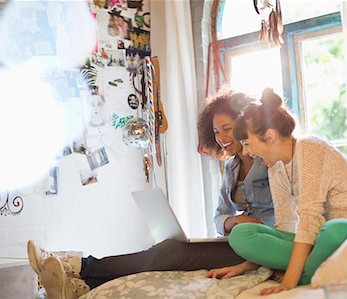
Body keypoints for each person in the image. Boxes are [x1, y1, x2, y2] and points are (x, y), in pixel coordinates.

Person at [28, 87, 275, 299]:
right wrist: (235, 220)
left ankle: (76, 265)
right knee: (168, 249)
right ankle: (81, 284)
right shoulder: (231, 168)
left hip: (260, 245)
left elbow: (285, 218)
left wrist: (250, 235)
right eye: (216, 132)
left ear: (244, 125)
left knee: (169, 253)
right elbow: (220, 218)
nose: (220, 138)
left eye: (227, 129)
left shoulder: (269, 162)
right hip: (238, 241)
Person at [207, 88, 347, 296]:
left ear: (269, 137)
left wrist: (289, 282)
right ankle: (314, 266)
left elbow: (309, 219)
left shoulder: (309, 148)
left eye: (247, 143)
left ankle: (301, 275)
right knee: (241, 235)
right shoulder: (276, 167)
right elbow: (285, 225)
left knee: (334, 229)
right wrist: (247, 266)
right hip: (320, 241)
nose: (246, 151)